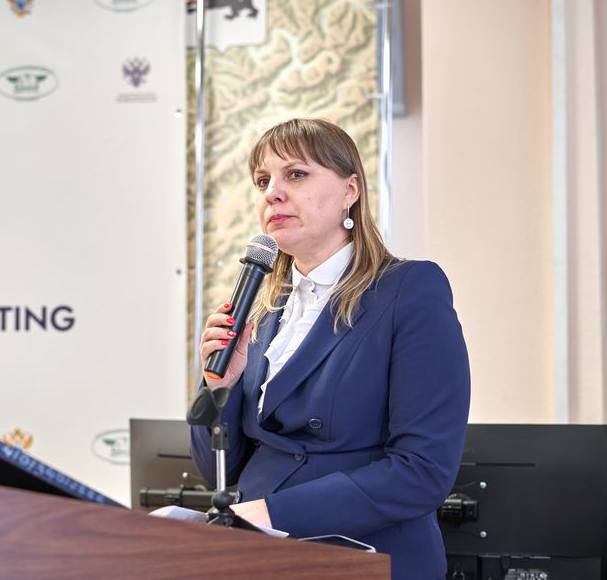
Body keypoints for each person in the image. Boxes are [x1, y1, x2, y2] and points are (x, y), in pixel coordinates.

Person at [190, 118, 471, 580]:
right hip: (257, 559)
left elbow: (422, 471)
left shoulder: (409, 290)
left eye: (296, 174)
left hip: (364, 559)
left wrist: (272, 513)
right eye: (262, 181)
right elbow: (216, 470)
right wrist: (221, 385)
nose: (272, 193)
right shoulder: (260, 308)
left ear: (350, 190)